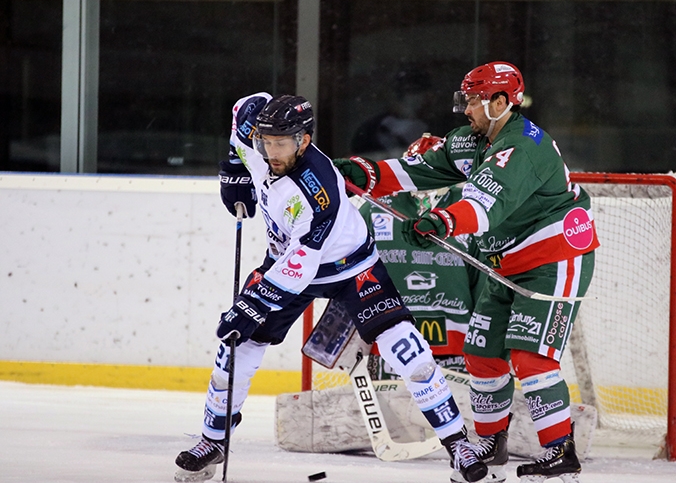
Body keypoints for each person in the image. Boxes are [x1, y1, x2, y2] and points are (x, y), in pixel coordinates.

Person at [174, 93, 488, 483]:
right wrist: (236, 166)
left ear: (304, 140)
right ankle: (213, 440)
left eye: (282, 143)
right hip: (285, 257)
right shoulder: (255, 135)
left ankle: (457, 444)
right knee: (236, 347)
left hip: (350, 268)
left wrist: (254, 302)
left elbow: (300, 267)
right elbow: (246, 105)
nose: (272, 151)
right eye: (265, 142)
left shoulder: (316, 187)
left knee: (409, 350)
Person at [335, 62, 599, 483]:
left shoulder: (524, 146)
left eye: (475, 100)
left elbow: (483, 206)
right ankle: (491, 443)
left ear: (501, 102)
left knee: (531, 356)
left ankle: (559, 453)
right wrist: (363, 173)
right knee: (482, 351)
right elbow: (415, 171)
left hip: (553, 257)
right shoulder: (471, 140)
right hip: (503, 262)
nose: (467, 109)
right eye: (466, 99)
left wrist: (441, 221)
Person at [357, 135, 485, 380]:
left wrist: (488, 343)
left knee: (459, 417)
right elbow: (351, 271)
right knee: (392, 418)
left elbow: (485, 285)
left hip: (459, 345)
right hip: (390, 343)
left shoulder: (468, 209)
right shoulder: (375, 209)